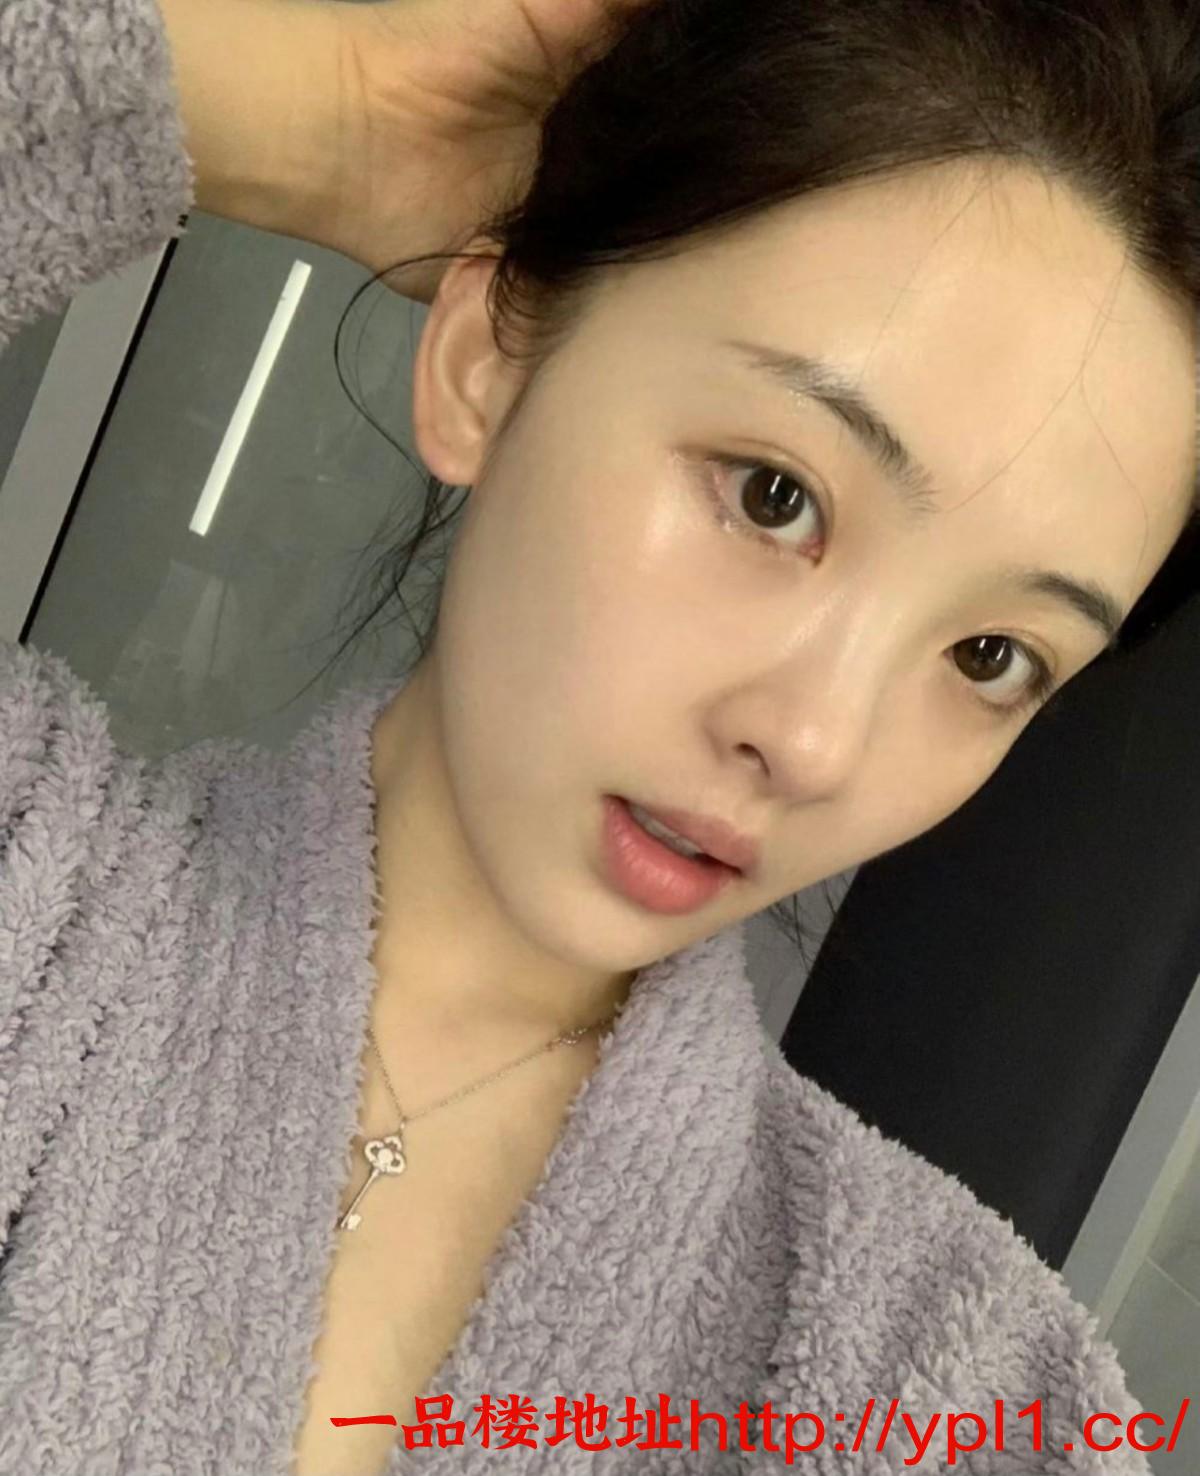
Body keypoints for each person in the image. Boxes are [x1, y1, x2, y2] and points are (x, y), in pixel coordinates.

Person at [0, 0, 1195, 1472]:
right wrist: (316, 117)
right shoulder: (29, 885)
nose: (816, 741)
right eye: (773, 496)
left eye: (990, 657)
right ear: (485, 364)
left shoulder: (966, 1399)